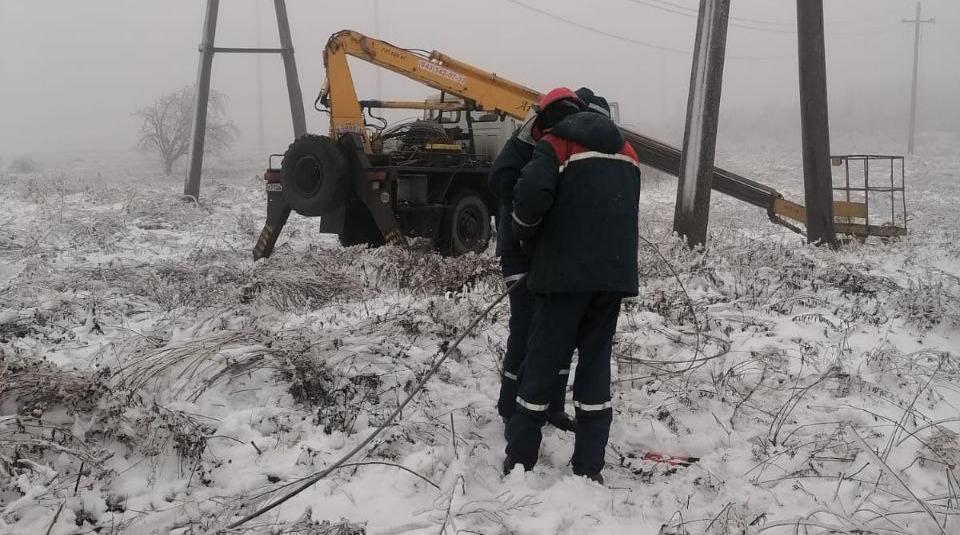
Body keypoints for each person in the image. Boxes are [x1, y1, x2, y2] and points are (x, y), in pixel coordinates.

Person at [504, 87, 641, 484]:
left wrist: (525, 234)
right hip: (612, 280)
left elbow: (529, 199)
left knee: (542, 364)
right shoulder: (628, 151)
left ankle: (519, 461)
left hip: (562, 279)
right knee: (595, 367)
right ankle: (589, 466)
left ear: (549, 118)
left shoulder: (556, 144)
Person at [488, 89, 581, 434]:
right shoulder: (523, 144)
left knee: (557, 332)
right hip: (518, 252)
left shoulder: (566, 144)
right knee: (525, 326)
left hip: (546, 254)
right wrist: (524, 215)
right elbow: (499, 179)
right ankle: (510, 406)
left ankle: (551, 406)